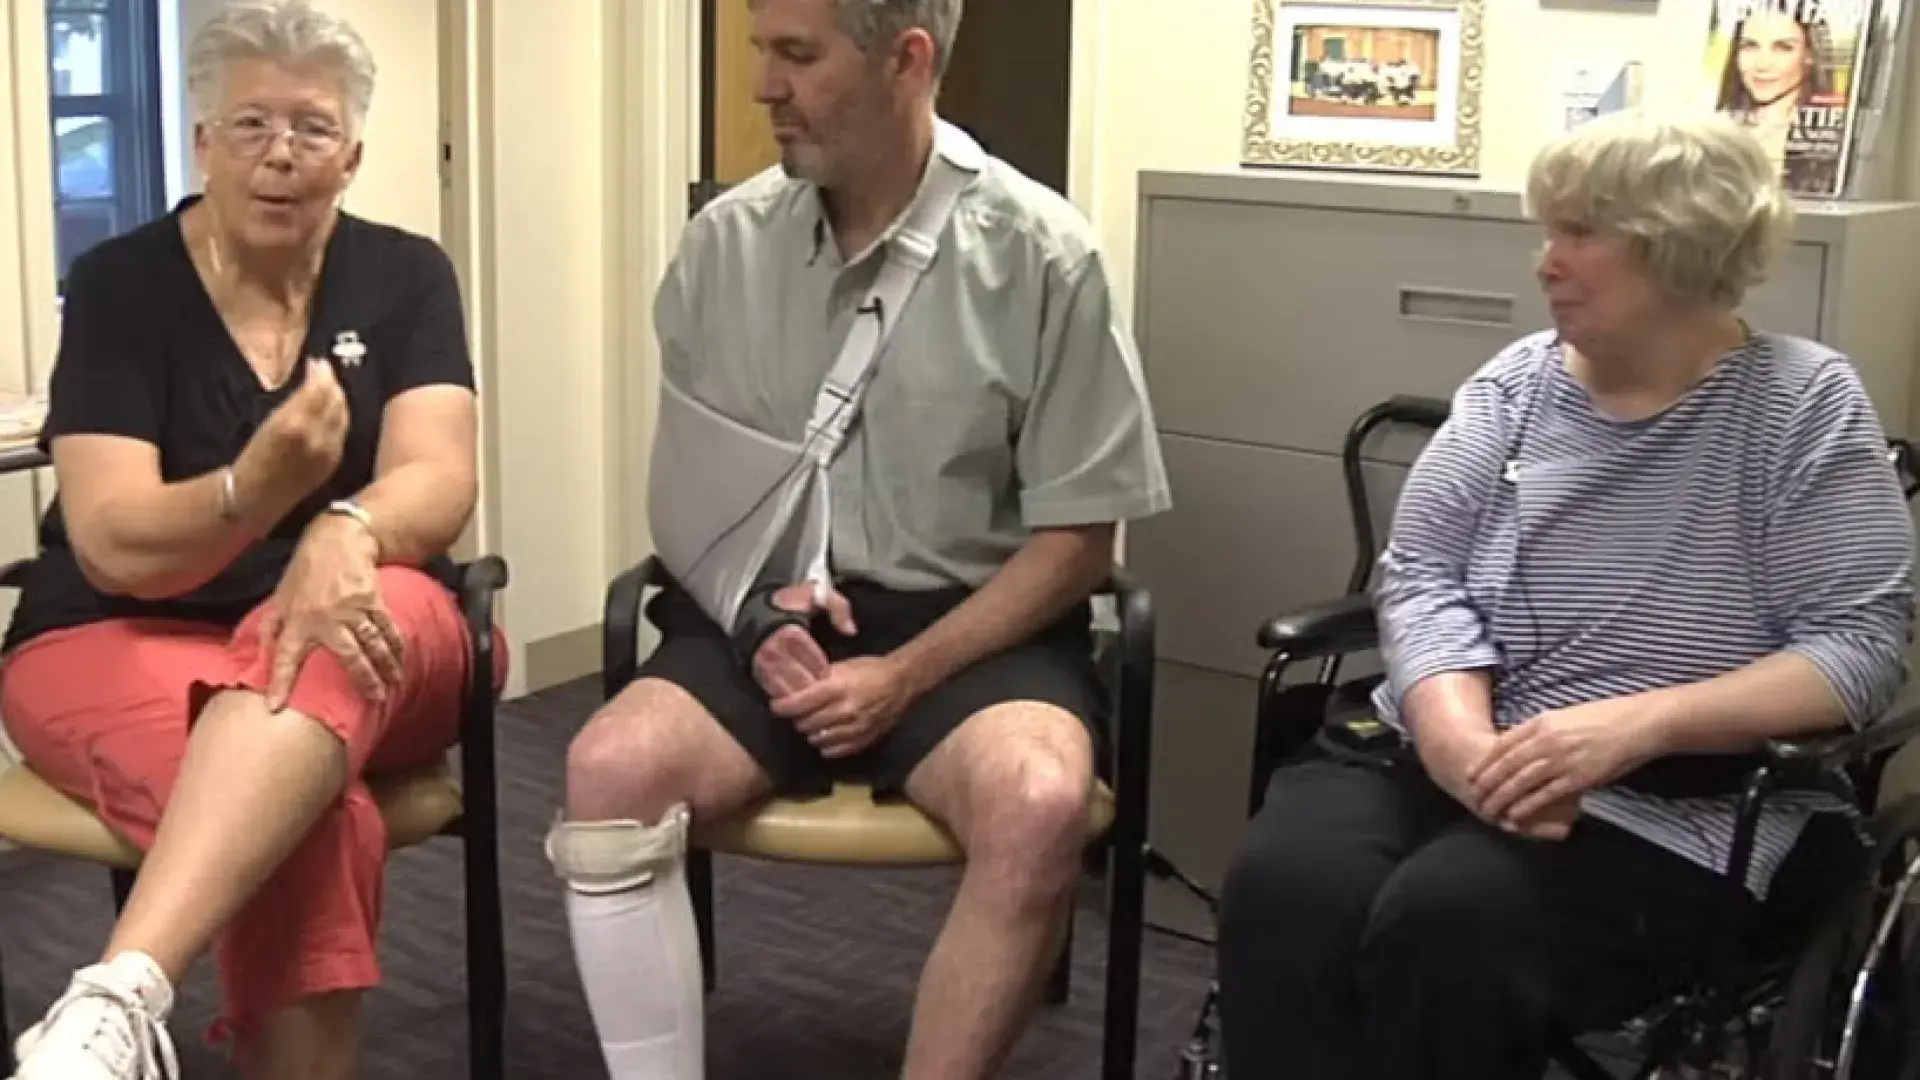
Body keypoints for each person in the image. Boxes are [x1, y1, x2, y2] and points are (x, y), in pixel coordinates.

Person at [1214, 111, 1914, 1080]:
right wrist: (1459, 744)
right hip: (1455, 748)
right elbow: (1418, 576)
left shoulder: (1800, 407)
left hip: (1675, 804)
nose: (1546, 262)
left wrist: (1635, 727)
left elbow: (1860, 648)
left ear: (1678, 249)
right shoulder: (1514, 388)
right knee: (1285, 889)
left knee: (1451, 924)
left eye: (1581, 234)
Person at [546, 0, 1171, 1077]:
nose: (760, 89)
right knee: (607, 771)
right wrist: (748, 620)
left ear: (907, 61)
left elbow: (1077, 542)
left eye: (796, 56)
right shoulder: (723, 245)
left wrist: (904, 672)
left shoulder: (1043, 255)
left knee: (1039, 801)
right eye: (759, 52)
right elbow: (689, 493)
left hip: (971, 629)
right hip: (764, 610)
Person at [0, 2, 502, 1078]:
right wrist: (250, 490)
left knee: (331, 630)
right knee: (305, 820)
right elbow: (114, 546)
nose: (281, 155)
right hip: (119, 632)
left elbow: (440, 477)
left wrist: (344, 524)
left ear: (353, 155)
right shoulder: (121, 286)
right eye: (249, 127)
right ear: (200, 143)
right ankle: (126, 1011)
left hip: (371, 622)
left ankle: (112, 996)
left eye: (312, 129)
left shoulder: (408, 273)